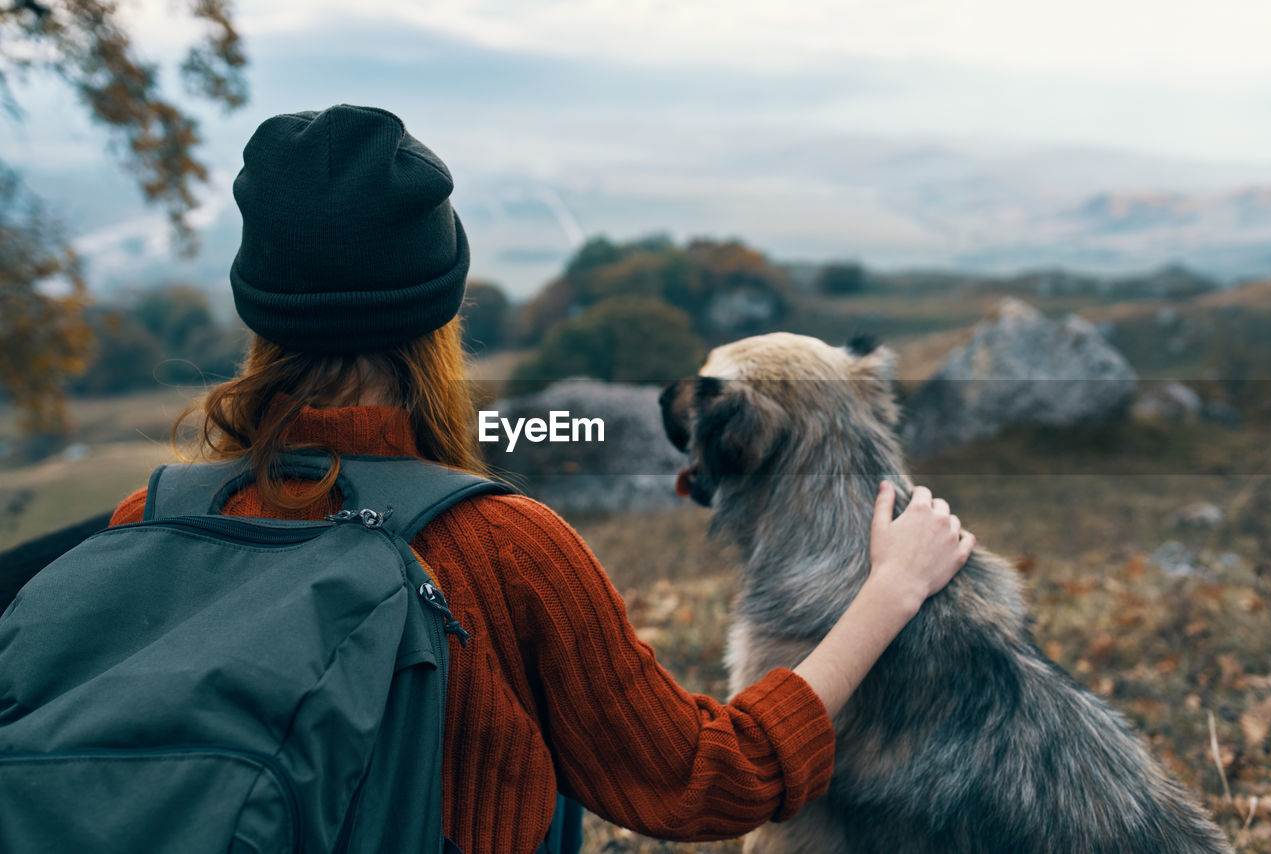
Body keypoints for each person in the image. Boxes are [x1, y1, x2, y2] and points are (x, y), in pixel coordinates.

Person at [108, 104, 976, 853]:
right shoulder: (503, 549)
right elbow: (710, 780)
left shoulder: (146, 521)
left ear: (257, 308)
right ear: (439, 315)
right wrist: (890, 590)